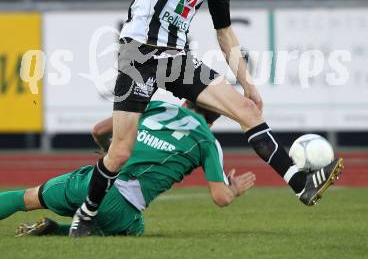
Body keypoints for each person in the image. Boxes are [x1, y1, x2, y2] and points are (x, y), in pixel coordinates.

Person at [28, 0, 343, 237]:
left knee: (247, 111)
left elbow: (224, 33)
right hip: (138, 55)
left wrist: (247, 83)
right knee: (119, 151)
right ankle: (86, 217)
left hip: (176, 59)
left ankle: (301, 184)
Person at [0, 100, 256, 237]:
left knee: (26, 197)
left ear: (186, 101)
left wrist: (110, 151)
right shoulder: (207, 140)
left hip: (94, 183)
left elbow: (98, 130)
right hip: (120, 209)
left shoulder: (156, 106)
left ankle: (63, 225)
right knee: (133, 228)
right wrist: (233, 190)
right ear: (214, 119)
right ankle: (57, 230)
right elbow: (221, 197)